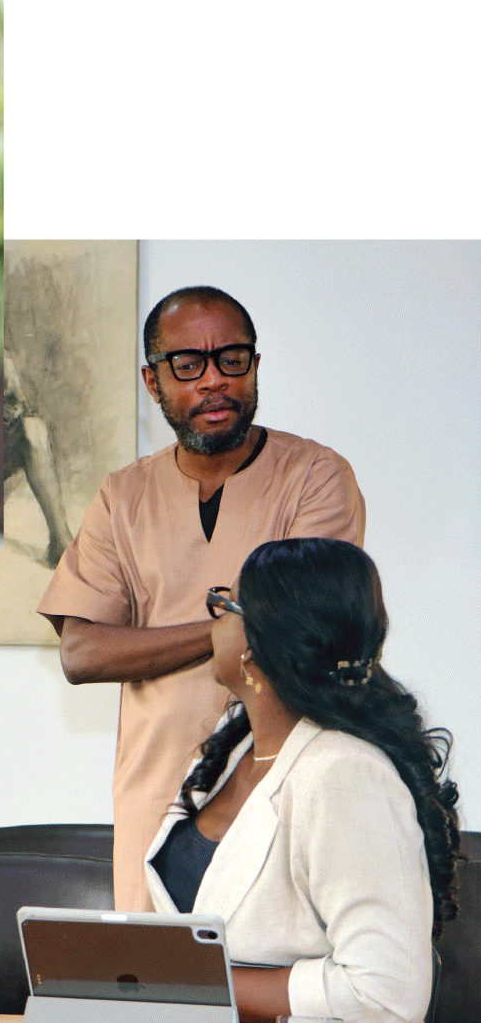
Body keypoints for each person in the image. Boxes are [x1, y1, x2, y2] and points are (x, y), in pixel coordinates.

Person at [36, 285, 364, 910]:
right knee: (162, 994)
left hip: (282, 787)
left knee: (273, 988)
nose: (214, 381)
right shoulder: (122, 495)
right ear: (153, 382)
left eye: (231, 359)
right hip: (154, 799)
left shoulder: (317, 477)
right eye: (188, 365)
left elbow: (303, 629)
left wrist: (236, 622)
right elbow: (82, 653)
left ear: (255, 365)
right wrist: (231, 622)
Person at [146, 539, 458, 1023]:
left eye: (226, 605)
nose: (214, 621)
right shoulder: (229, 753)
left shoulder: (343, 772)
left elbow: (387, 994)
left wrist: (193, 986)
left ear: (255, 645)